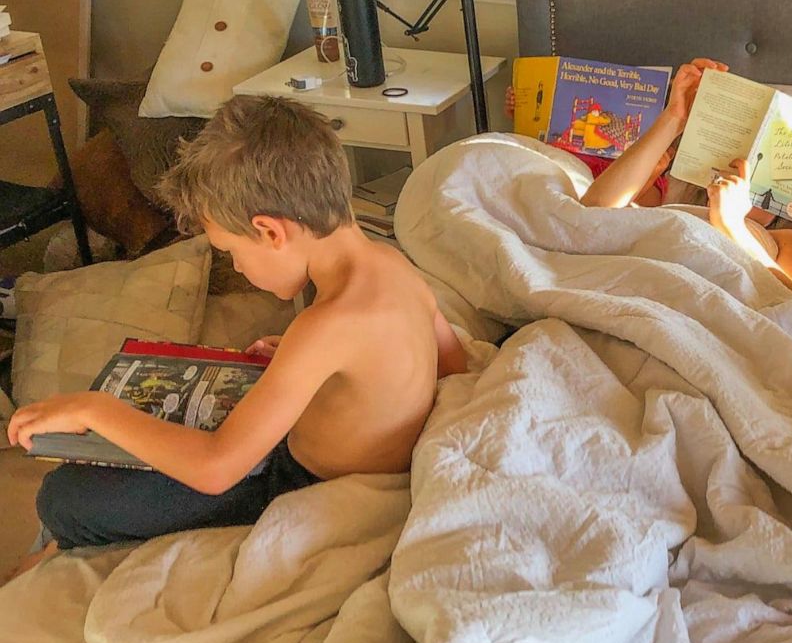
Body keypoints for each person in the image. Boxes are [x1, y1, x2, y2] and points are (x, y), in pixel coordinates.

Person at [6, 96, 467, 578]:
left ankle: (48, 556)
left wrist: (95, 408)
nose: (239, 268)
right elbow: (452, 363)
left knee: (63, 497)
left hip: (289, 480)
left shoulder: (326, 325)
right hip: (294, 448)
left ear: (270, 231)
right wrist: (313, 370)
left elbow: (215, 470)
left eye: (231, 252)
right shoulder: (391, 265)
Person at [579, 58, 792, 296]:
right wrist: (675, 117)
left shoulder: (786, 239)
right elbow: (589, 217)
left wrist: (732, 224)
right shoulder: (672, 209)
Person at [506, 88, 671, 206]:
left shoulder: (656, 180)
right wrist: (522, 111)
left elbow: (626, 212)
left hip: (571, 195)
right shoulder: (575, 134)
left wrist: (650, 174)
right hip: (542, 165)